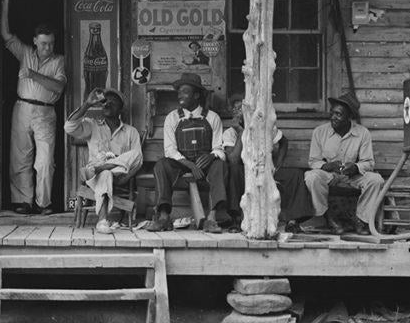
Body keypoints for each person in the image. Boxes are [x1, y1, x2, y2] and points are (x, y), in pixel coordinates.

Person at [0, 0, 68, 215]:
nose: (48, 48)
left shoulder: (59, 60)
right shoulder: (26, 52)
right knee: (20, 158)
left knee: (45, 160)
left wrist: (33, 75)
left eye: (51, 43)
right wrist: (6, 3)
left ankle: (44, 203)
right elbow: (6, 35)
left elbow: (59, 87)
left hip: (46, 112)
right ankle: (23, 201)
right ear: (35, 41)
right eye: (44, 43)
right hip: (22, 108)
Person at [147, 73, 229, 232]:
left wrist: (212, 156)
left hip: (204, 164)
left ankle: (211, 219)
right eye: (178, 92)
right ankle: (164, 217)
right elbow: (170, 150)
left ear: (197, 95)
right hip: (181, 163)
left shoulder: (212, 118)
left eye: (184, 92)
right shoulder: (172, 118)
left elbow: (219, 148)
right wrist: (190, 165)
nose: (179, 95)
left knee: (220, 165)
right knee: (161, 165)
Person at [221, 94, 312, 230]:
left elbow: (283, 142)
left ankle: (293, 221)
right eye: (239, 109)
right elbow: (233, 160)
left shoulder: (263, 126)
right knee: (233, 171)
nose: (243, 112)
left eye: (246, 108)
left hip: (266, 170)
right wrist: (241, 132)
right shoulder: (230, 133)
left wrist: (278, 164)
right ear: (233, 113)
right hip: (244, 173)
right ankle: (237, 219)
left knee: (296, 175)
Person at [304, 91, 384, 235]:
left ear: (349, 117)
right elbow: (313, 161)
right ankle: (328, 218)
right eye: (332, 113)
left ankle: (361, 221)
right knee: (311, 177)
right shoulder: (319, 132)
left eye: (339, 114)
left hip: (353, 177)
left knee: (376, 180)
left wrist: (355, 167)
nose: (333, 117)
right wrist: (327, 166)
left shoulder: (363, 133)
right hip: (329, 175)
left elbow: (369, 162)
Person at [64, 88, 143, 234]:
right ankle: (102, 220)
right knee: (105, 174)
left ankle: (105, 167)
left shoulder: (131, 131)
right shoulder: (92, 125)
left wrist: (113, 168)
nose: (107, 104)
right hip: (95, 175)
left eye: (113, 102)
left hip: (120, 175)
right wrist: (87, 104)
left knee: (136, 154)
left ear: (121, 108)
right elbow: (69, 127)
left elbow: (137, 160)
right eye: (105, 102)